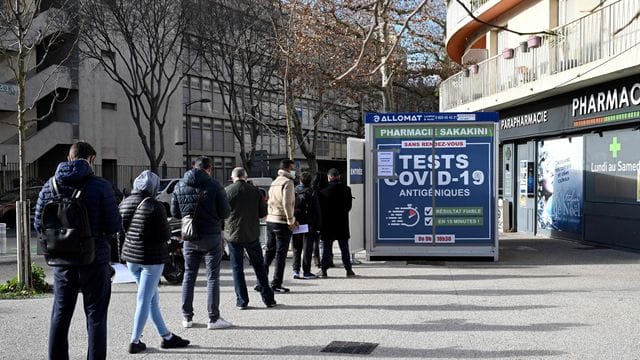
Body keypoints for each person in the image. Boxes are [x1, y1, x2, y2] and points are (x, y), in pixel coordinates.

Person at [34, 141, 121, 360]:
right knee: (96, 317)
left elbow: (38, 224)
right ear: (91, 159)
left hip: (62, 262)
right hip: (94, 259)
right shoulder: (101, 186)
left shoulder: (49, 186)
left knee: (60, 316)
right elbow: (113, 226)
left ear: (69, 157)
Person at [119, 170, 190, 353]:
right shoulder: (155, 206)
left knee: (150, 298)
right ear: (154, 187)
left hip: (131, 258)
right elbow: (164, 234)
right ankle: (135, 341)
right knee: (144, 299)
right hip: (151, 258)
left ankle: (166, 336)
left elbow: (121, 230)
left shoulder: (124, 203)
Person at [171, 156, 232, 330]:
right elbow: (225, 212)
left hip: (189, 235)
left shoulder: (179, 185)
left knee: (189, 276)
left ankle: (187, 317)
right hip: (211, 235)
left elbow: (175, 212)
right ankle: (213, 318)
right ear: (209, 168)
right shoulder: (214, 186)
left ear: (193, 167)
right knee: (212, 277)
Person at [224, 167, 277, 309]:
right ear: (245, 176)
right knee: (259, 266)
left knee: (237, 268)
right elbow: (262, 213)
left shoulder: (227, 191)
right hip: (252, 234)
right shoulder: (256, 191)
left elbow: (221, 213)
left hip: (233, 235)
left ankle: (242, 301)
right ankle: (268, 299)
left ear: (233, 177)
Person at [263, 159, 298, 293]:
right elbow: (287, 203)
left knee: (269, 252)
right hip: (282, 221)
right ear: (289, 168)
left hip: (271, 220)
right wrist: (291, 221)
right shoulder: (288, 182)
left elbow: (270, 201)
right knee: (281, 254)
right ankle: (276, 283)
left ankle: (261, 280)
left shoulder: (275, 182)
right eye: (293, 168)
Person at [317, 168, 355, 278]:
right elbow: (349, 207)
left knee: (326, 249)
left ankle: (324, 270)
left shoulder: (323, 190)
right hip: (342, 223)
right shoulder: (347, 189)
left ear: (329, 177)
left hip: (327, 224)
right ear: (338, 177)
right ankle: (349, 270)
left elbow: (320, 209)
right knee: (344, 248)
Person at [291, 171, 320, 280]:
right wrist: (318, 225)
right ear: (310, 181)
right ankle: (306, 271)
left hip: (296, 222)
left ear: (300, 180)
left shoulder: (294, 191)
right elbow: (317, 210)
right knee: (307, 249)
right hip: (309, 224)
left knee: (296, 248)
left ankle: (295, 270)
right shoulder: (311, 192)